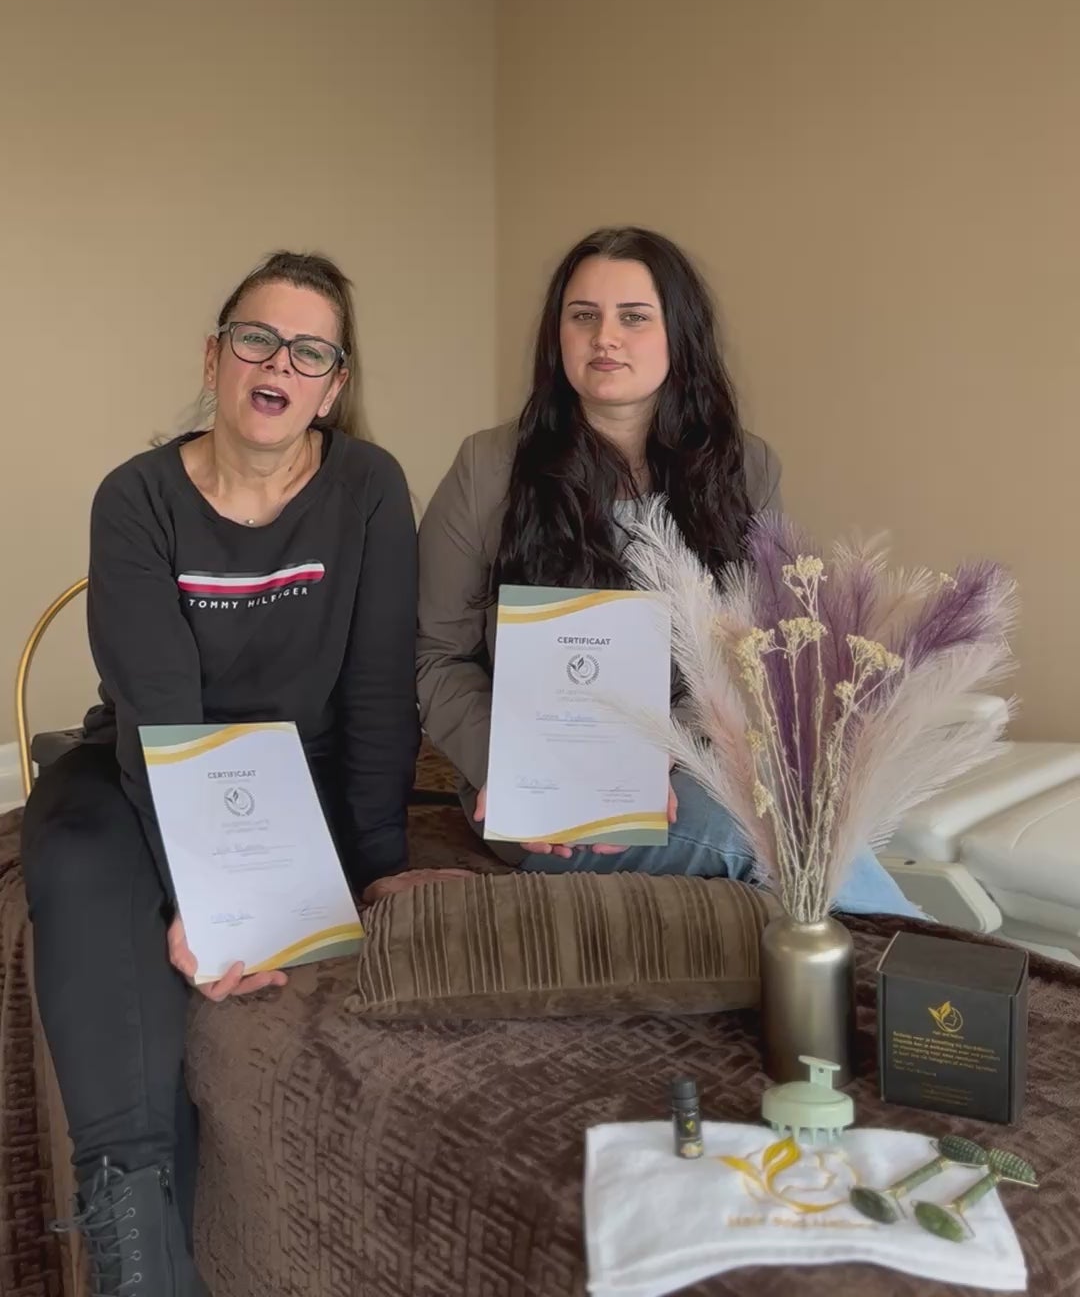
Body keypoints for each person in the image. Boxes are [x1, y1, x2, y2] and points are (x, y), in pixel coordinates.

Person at [21, 251, 425, 1295]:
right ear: (214, 358)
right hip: (145, 762)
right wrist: (204, 896)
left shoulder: (369, 489)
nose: (278, 362)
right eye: (256, 338)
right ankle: (135, 1249)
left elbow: (380, 693)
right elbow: (159, 715)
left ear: (333, 385)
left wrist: (378, 864)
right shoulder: (137, 496)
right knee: (72, 846)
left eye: (309, 350)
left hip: (296, 786)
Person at [417, 225, 918, 914]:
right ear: (557, 335)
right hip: (530, 782)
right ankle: (926, 954)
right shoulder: (488, 468)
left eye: (634, 317)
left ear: (679, 334)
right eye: (583, 316)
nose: (605, 338)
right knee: (780, 845)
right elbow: (436, 655)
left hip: (695, 765)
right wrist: (506, 766)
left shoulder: (747, 469)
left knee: (805, 825)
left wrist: (669, 755)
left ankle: (915, 960)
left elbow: (755, 653)